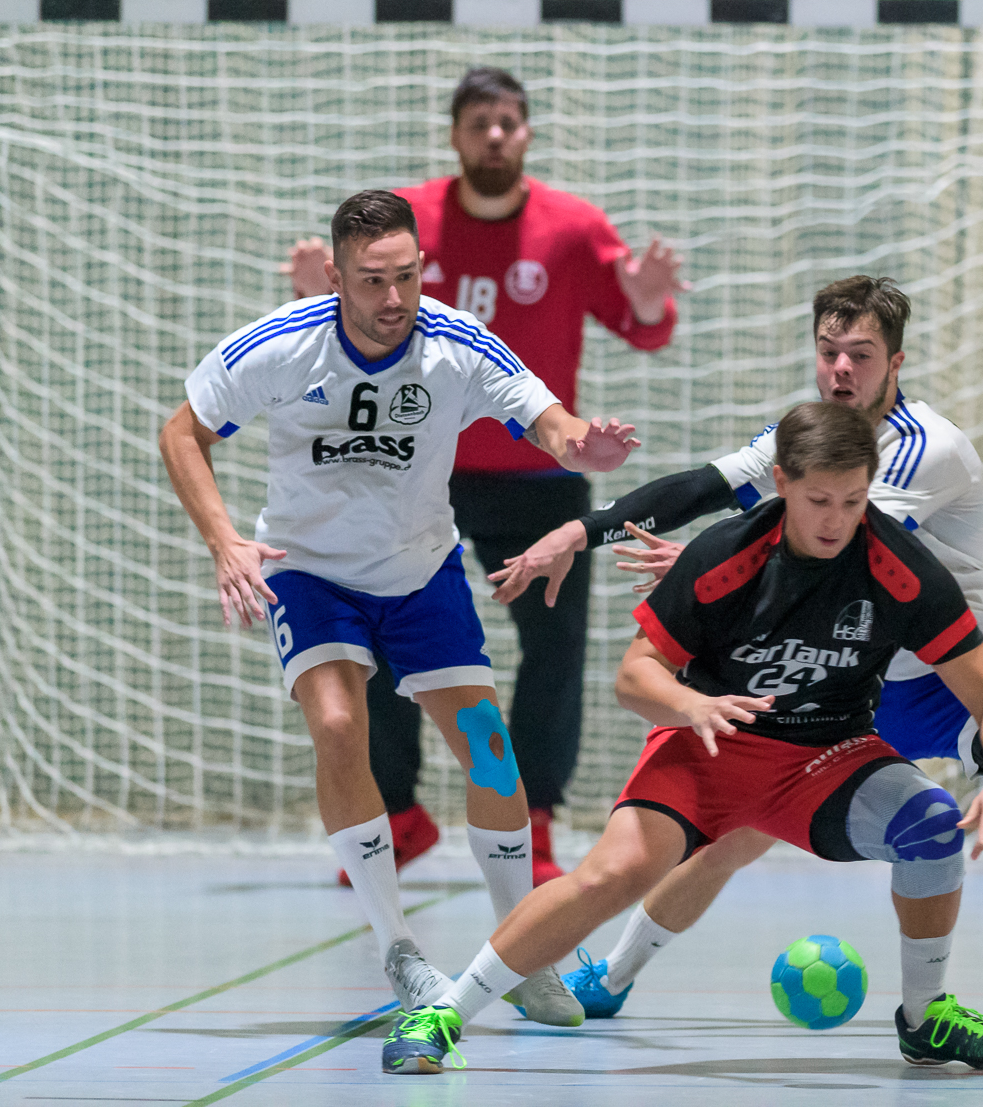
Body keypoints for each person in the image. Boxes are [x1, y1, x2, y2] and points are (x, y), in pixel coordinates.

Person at [493, 274, 983, 1013]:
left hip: (961, 661)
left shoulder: (924, 447)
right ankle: (614, 974)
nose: (840, 368)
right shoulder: (804, 438)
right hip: (860, 673)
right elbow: (701, 487)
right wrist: (581, 532)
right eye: (828, 350)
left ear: (895, 363)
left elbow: (838, 542)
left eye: (860, 355)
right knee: (741, 827)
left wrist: (719, 556)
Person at [379, 402, 983, 1074]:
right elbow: (635, 676)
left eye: (853, 500)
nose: (836, 520)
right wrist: (691, 703)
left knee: (933, 825)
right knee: (612, 876)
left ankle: (925, 1018)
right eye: (818, 500)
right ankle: (443, 1014)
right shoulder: (726, 554)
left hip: (824, 759)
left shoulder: (901, 567)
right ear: (781, 482)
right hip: (708, 747)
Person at [160, 189, 640, 1022]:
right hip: (311, 573)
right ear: (335, 278)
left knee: (491, 753)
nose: (394, 298)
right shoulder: (284, 343)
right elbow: (181, 432)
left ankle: (523, 954)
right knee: (338, 725)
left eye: (408, 276)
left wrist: (580, 444)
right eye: (373, 280)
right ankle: (399, 950)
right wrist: (224, 541)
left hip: (421, 573)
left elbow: (545, 417)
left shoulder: (455, 342)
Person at [286, 66, 685, 887]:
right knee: (376, 638)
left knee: (553, 647)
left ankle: (529, 819)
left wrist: (647, 300)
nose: (495, 136)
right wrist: (309, 296)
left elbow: (645, 329)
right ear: (455, 134)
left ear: (527, 132)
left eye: (508, 121)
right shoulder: (408, 221)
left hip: (536, 475)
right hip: (410, 469)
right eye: (479, 122)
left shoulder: (573, 228)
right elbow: (345, 320)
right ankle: (398, 814)